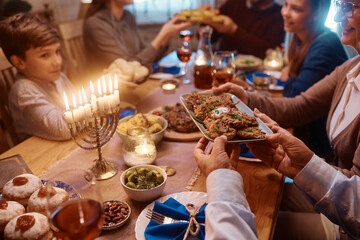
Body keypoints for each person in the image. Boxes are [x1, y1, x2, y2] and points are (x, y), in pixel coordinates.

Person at [194, 128, 360, 239]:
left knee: (262, 220)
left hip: (345, 232)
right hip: (348, 213)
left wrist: (221, 178)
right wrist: (307, 167)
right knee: (263, 194)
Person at [280, 0, 348, 158]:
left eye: (296, 9)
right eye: (285, 4)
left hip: (322, 150)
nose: (285, 12)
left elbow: (295, 96)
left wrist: (289, 78)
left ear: (317, 13)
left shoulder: (325, 46)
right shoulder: (303, 38)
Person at [0, 13, 75, 141]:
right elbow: (63, 128)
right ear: (19, 62)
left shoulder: (59, 77)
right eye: (45, 55)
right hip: (44, 157)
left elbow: (80, 105)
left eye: (57, 51)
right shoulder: (24, 92)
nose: (57, 61)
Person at [83, 0, 191, 75]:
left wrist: (167, 35)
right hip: (112, 93)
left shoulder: (128, 17)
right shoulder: (95, 24)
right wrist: (162, 34)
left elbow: (148, 57)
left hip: (137, 82)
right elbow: (128, 68)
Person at [200, 0, 285, 58]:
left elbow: (269, 52)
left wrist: (234, 30)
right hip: (225, 68)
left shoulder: (280, 15)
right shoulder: (234, 3)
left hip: (258, 74)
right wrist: (208, 18)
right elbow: (209, 39)